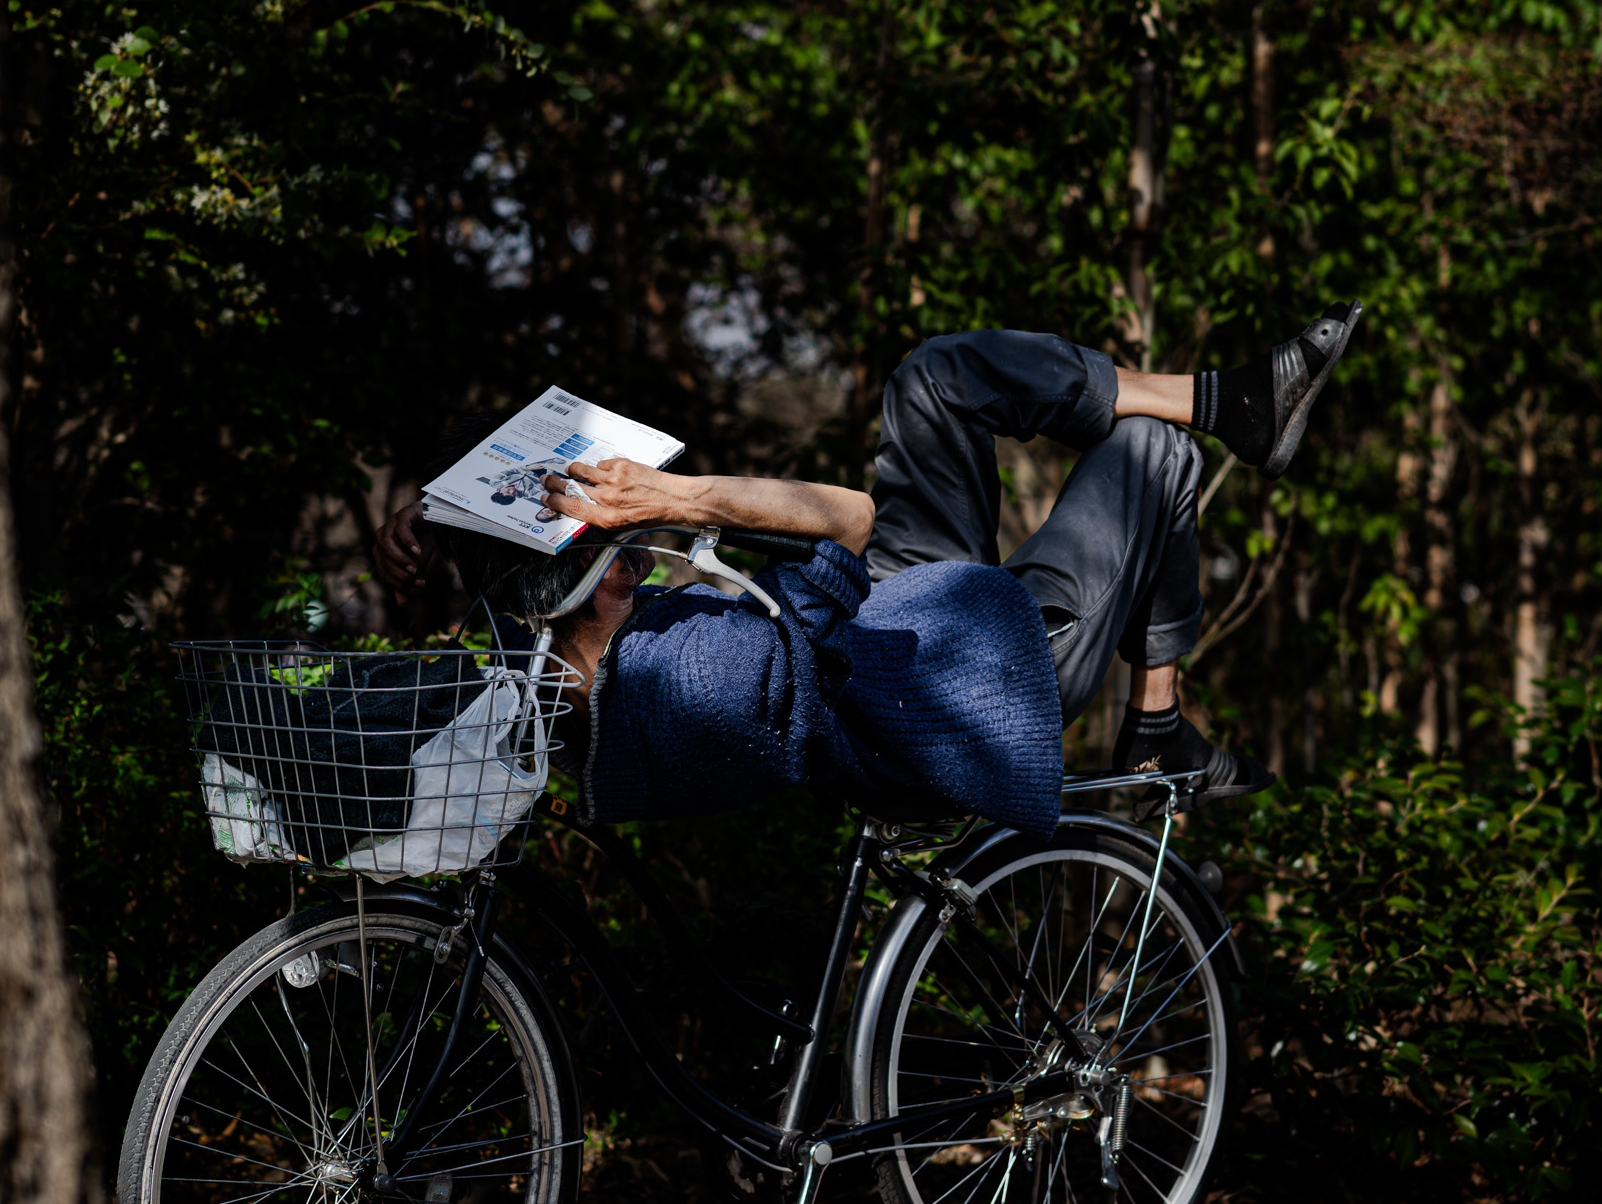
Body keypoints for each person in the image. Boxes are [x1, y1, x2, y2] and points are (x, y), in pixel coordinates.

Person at [372, 306, 1364, 830]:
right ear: (577, 575)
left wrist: (430, 514)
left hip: (903, 627)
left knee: (951, 382)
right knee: (1143, 449)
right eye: (612, 552)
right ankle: (1155, 727)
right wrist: (680, 499)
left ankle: (1230, 407)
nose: (633, 558)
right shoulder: (690, 675)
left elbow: (501, 608)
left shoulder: (559, 650)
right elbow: (852, 520)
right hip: (964, 679)